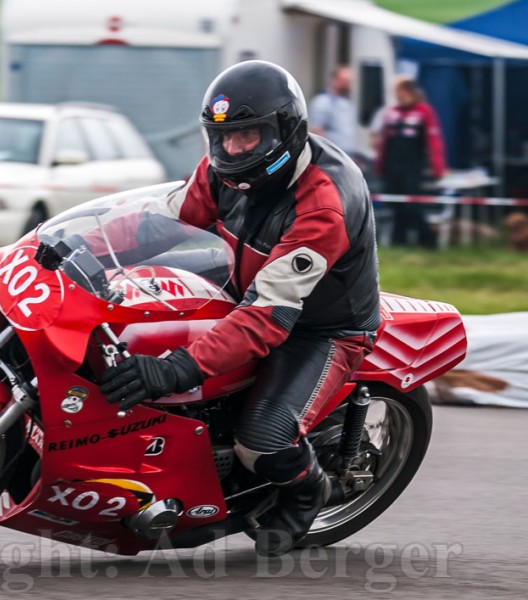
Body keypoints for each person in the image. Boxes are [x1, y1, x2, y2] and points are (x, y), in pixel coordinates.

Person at [100, 61, 381, 557]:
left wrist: (175, 370)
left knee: (262, 442)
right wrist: (88, 250)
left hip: (319, 328)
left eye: (248, 135)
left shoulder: (323, 204)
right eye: (223, 136)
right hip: (242, 288)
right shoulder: (219, 171)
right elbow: (160, 224)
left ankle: (305, 490)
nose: (233, 149)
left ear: (285, 130)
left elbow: (270, 315)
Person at [375, 77, 447, 248]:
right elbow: (384, 141)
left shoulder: (424, 111)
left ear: (406, 91)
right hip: (392, 167)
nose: (395, 94)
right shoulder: (392, 112)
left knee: (413, 205)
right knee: (396, 204)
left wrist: (438, 167)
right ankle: (399, 240)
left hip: (413, 167)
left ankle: (427, 238)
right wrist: (380, 165)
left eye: (397, 90)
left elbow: (434, 140)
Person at [309, 65, 357, 156]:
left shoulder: (347, 103)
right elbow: (317, 130)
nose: (348, 85)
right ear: (334, 80)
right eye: (345, 81)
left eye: (349, 82)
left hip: (347, 155)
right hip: (332, 155)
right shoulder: (323, 102)